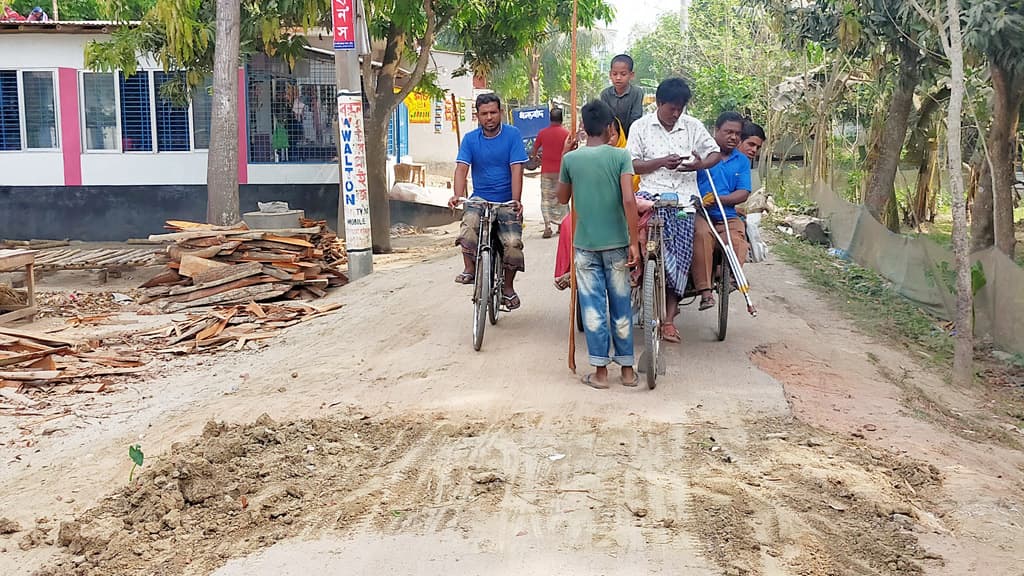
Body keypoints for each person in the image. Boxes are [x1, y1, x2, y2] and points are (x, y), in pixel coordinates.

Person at [627, 77, 721, 343]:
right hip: (650, 197)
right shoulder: (641, 127)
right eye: (671, 108)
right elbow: (631, 164)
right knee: (635, 236)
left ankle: (669, 318)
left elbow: (713, 153)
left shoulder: (693, 126)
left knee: (680, 252)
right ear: (658, 103)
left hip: (684, 204)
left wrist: (698, 166)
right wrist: (660, 162)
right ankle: (637, 280)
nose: (676, 113)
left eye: (680, 107)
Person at [556, 100, 640, 389]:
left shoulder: (572, 160)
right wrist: (634, 242)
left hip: (584, 245)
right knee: (621, 305)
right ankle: (627, 371)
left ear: (583, 129)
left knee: (592, 309)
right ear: (609, 128)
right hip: (617, 242)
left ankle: (601, 373)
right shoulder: (620, 156)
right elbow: (629, 200)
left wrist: (566, 155)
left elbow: (561, 197)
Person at [448, 93, 529, 310]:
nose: (489, 117)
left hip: (505, 200)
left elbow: (516, 169)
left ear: (501, 112)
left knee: (512, 244)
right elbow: (461, 168)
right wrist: (457, 194)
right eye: (484, 114)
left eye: (493, 112)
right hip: (479, 199)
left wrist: (515, 200)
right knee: (468, 225)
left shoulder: (513, 135)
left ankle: (508, 288)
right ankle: (470, 269)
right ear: (477, 116)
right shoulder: (470, 139)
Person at [691, 112, 753, 311]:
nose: (733, 137)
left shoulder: (742, 161)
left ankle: (728, 276)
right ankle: (705, 292)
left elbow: (743, 192)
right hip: (701, 214)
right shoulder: (701, 155)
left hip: (727, 214)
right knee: (700, 235)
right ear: (716, 131)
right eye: (728, 132)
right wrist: (701, 201)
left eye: (737, 133)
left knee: (737, 239)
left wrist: (717, 200)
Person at [532, 107, 571, 238]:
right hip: (562, 171)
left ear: (550, 118)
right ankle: (561, 225)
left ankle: (547, 226)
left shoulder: (542, 133)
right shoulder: (566, 133)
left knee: (546, 199)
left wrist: (536, 159)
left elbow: (534, 150)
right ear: (561, 119)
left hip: (546, 172)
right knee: (561, 198)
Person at [600, 54, 644, 139]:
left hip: (632, 136)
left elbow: (636, 118)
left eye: (623, 74)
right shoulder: (605, 94)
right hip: (611, 138)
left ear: (631, 75)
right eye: (615, 74)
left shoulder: (637, 93)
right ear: (610, 74)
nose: (618, 78)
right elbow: (606, 119)